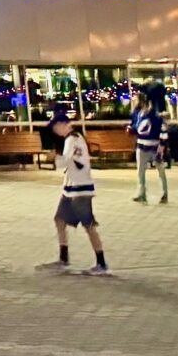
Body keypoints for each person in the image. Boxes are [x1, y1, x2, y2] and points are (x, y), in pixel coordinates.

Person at [43, 112, 108, 275]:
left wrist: (54, 157)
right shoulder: (74, 138)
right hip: (71, 188)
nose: (55, 130)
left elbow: (68, 161)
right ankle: (63, 258)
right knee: (59, 219)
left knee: (89, 225)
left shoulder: (73, 139)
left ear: (63, 124)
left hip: (80, 189)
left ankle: (101, 263)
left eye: (56, 126)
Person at [130, 92, 168, 205]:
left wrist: (161, 149)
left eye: (136, 100)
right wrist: (131, 129)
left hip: (154, 147)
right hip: (141, 146)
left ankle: (164, 193)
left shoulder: (155, 116)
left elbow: (163, 132)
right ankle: (142, 193)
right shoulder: (137, 114)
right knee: (140, 171)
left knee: (160, 171)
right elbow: (137, 128)